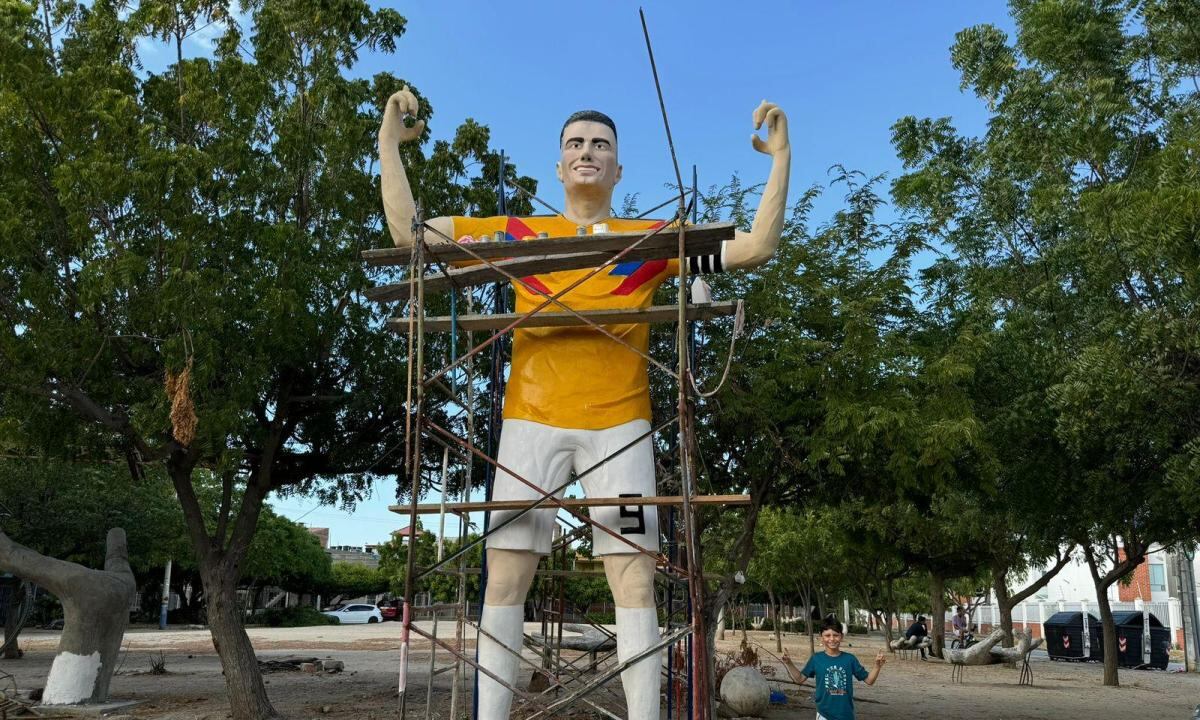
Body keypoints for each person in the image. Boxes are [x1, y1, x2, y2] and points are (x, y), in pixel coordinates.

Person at [379, 88, 791, 720]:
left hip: (620, 430)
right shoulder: (519, 233)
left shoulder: (654, 238)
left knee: (633, 579)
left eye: (601, 144)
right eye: (575, 144)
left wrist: (781, 157)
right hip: (528, 427)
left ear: (619, 168)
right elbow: (411, 231)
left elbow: (756, 246)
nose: (587, 153)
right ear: (558, 164)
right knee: (506, 576)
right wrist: (389, 142)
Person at [782, 621, 885, 720]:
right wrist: (789, 663)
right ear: (821, 638)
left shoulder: (850, 659)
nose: (832, 639)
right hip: (823, 714)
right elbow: (799, 679)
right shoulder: (816, 659)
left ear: (842, 637)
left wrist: (877, 666)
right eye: (827, 635)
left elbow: (869, 680)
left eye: (836, 635)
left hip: (846, 715)